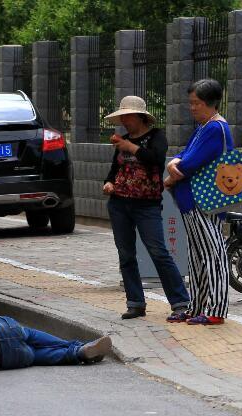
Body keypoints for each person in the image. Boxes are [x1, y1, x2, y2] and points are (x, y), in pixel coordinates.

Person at [102, 96, 190, 321]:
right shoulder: (122, 140)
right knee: (126, 255)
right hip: (119, 204)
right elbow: (114, 170)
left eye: (128, 115)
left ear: (140, 116)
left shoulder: (156, 136)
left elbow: (155, 159)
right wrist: (109, 183)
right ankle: (135, 303)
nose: (124, 120)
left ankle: (180, 301)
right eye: (122, 116)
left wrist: (130, 146)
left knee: (158, 252)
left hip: (147, 205)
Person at [164, 78, 231, 326]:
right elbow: (182, 157)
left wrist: (172, 170)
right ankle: (198, 306)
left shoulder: (215, 128)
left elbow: (187, 164)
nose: (192, 108)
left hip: (203, 200)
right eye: (190, 103)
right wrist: (175, 164)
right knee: (197, 255)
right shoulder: (205, 126)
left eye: (197, 103)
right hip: (194, 201)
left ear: (211, 104)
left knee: (212, 254)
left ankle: (215, 309)